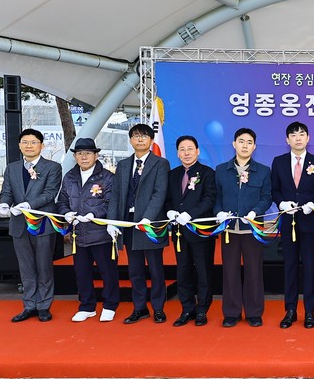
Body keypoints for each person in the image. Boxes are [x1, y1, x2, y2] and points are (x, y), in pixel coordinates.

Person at [106, 123, 170, 324]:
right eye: (135, 136)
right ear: (131, 140)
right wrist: (112, 221)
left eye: (144, 136)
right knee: (135, 271)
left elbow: (159, 193)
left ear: (151, 140)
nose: (140, 139)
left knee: (156, 270)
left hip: (150, 226)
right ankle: (139, 308)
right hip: (129, 225)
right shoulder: (123, 165)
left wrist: (148, 217)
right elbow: (116, 195)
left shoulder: (160, 164)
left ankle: (158, 308)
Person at [0, 128, 62, 323]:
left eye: (33, 142)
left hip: (42, 224)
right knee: (26, 268)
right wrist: (4, 203)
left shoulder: (53, 167)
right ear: (19, 146)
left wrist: (28, 205)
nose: (29, 146)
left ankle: (44, 306)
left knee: (44, 266)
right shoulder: (12, 168)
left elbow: (50, 193)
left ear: (42, 145)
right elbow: (7, 191)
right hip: (18, 224)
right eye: (25, 142)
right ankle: (29, 305)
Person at [271, 122, 314, 329]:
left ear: (308, 138)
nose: (298, 138)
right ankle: (290, 311)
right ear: (287, 140)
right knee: (290, 267)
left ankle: (310, 312)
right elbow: (274, 190)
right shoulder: (278, 162)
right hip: (288, 223)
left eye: (301, 134)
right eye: (293, 135)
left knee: (310, 268)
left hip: (309, 223)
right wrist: (281, 203)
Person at [57, 137, 119, 322]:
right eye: (80, 153)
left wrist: (94, 214)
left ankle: (110, 305)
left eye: (88, 153)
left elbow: (111, 203)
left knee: (108, 272)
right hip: (78, 235)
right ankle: (87, 306)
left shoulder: (107, 177)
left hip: (101, 235)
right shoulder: (69, 177)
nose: (84, 157)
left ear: (96, 155)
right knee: (82, 273)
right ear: (75, 156)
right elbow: (62, 201)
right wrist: (66, 213)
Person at [214, 128, 272, 328]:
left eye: (249, 142)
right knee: (230, 271)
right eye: (241, 141)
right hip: (229, 230)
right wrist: (219, 212)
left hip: (252, 230)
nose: (245, 145)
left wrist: (256, 212)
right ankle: (232, 312)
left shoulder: (263, 171)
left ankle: (254, 312)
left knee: (254, 271)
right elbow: (217, 197)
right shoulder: (221, 170)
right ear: (234, 144)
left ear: (254, 147)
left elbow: (267, 197)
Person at [165, 135, 217, 327]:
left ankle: (202, 309)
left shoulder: (207, 173)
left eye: (190, 149)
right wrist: (169, 211)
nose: (186, 153)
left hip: (200, 231)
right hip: (180, 233)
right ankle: (187, 308)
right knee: (183, 271)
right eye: (182, 149)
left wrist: (191, 214)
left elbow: (209, 199)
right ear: (177, 153)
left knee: (203, 271)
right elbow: (167, 199)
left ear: (197, 151)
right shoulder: (172, 175)